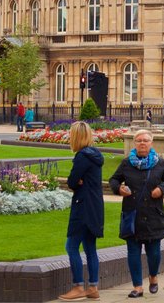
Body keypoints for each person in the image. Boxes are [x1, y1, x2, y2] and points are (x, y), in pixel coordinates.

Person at [109, 129, 164, 298]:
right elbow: (113, 180)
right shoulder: (126, 163)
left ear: (151, 143)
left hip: (153, 214)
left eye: (145, 140)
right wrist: (119, 188)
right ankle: (137, 286)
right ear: (134, 143)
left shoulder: (159, 163)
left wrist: (161, 189)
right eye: (139, 140)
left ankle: (153, 276)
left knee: (154, 252)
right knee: (133, 251)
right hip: (132, 215)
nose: (142, 143)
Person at [59, 121, 105, 301]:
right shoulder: (95, 155)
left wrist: (76, 182)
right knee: (90, 247)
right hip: (95, 206)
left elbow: (71, 181)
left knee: (71, 246)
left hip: (82, 205)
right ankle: (93, 287)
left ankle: (78, 286)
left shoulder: (82, 156)